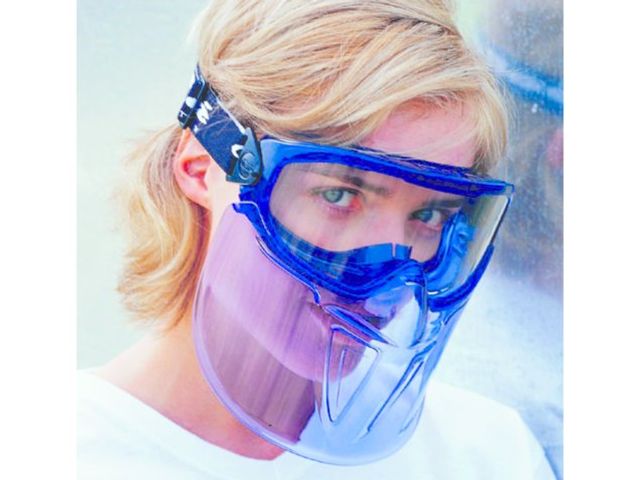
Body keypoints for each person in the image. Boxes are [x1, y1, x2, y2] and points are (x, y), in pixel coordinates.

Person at [77, 0, 556, 478]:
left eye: (429, 215)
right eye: (338, 195)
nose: (386, 279)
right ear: (202, 166)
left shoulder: (489, 454)